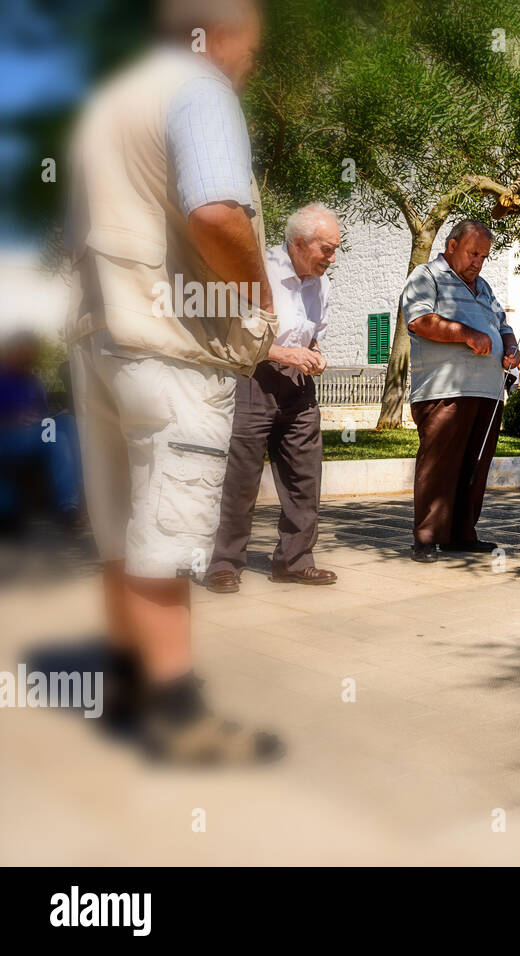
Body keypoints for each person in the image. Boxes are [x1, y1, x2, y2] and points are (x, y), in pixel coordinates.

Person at [64, 0, 301, 762]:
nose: (249, 67)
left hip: (100, 340)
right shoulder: (199, 90)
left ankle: (129, 687)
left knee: (118, 533)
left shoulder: (104, 108)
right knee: (164, 538)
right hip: (173, 348)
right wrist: (262, 290)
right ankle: (176, 715)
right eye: (252, 53)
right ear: (221, 37)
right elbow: (213, 213)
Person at [205, 203, 339, 594]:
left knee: (304, 476)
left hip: (298, 384)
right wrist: (282, 353)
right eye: (326, 249)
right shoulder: (256, 270)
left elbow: (312, 333)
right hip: (253, 376)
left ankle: (295, 561)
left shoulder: (322, 284)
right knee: (241, 478)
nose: (332, 258)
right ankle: (223, 564)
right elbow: (232, 332)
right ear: (298, 244)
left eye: (335, 249)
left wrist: (314, 354)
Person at [402, 220, 520, 562]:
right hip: (444, 391)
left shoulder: (484, 287)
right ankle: (426, 538)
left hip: (488, 392)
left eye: (483, 256)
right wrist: (466, 333)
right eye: (472, 253)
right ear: (451, 246)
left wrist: (510, 346)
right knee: (440, 465)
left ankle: (462, 534)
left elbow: (503, 325)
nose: (478, 262)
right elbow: (420, 320)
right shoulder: (426, 276)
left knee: (474, 466)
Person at [0, 332, 80, 530]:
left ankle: (70, 506)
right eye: (21, 350)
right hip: (6, 435)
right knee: (57, 434)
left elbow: (43, 413)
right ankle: (10, 510)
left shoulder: (32, 382)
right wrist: (11, 418)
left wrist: (40, 418)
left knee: (64, 425)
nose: (27, 356)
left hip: (32, 435)